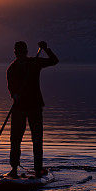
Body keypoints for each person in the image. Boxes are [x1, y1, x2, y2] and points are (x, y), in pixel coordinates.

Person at [7, 40, 59, 178]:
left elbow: (54, 61)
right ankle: (14, 169)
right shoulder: (12, 69)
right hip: (18, 108)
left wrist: (46, 49)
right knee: (15, 139)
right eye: (18, 53)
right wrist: (14, 95)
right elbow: (11, 87)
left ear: (26, 52)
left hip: (35, 107)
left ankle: (38, 169)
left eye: (22, 52)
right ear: (15, 53)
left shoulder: (34, 63)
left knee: (37, 139)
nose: (20, 55)